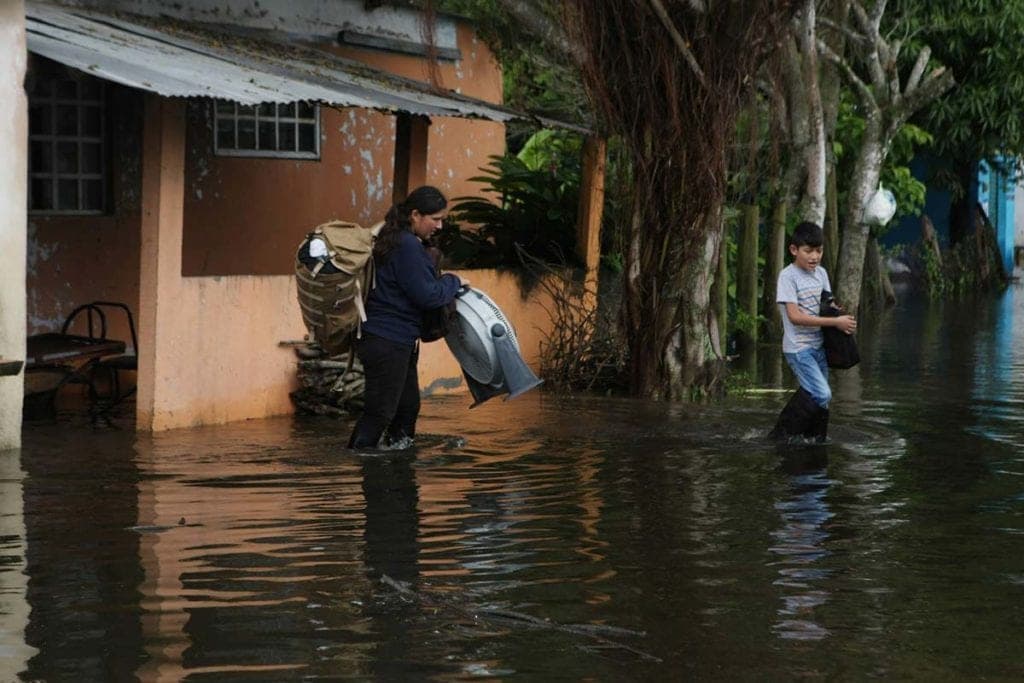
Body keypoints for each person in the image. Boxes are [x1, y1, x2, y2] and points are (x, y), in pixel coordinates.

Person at [348, 186, 467, 449]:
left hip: (395, 339)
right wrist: (454, 281)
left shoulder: (397, 239)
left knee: (407, 408)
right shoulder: (406, 245)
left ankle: (397, 462)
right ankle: (358, 459)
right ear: (415, 215)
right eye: (435, 219)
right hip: (387, 339)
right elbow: (428, 295)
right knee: (380, 412)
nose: (439, 226)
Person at [769, 221, 857, 442]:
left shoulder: (821, 274)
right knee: (821, 393)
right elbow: (795, 317)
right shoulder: (787, 277)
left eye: (819, 251)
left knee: (822, 400)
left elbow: (827, 303)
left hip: (818, 347)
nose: (814, 257)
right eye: (808, 251)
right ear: (794, 249)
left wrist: (838, 314)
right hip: (799, 349)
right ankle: (780, 435)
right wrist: (835, 323)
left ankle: (815, 439)